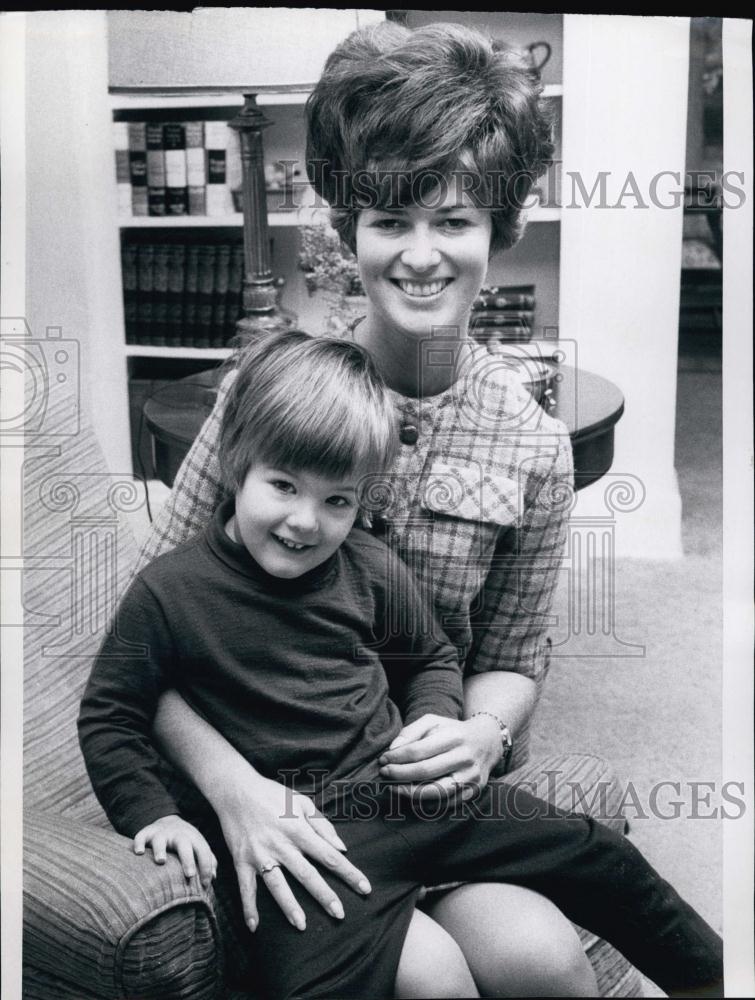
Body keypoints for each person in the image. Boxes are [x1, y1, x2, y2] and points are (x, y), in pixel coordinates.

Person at [128, 20, 677, 999]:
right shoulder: (267, 388)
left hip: (421, 796)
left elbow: (507, 659)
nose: (420, 255)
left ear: (498, 229)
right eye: (389, 220)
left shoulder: (533, 442)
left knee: (545, 958)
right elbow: (148, 634)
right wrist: (231, 789)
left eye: (452, 220)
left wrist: (479, 734)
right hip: (272, 805)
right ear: (350, 230)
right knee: (431, 979)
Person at [79, 330, 723, 1000]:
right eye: (282, 486)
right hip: (305, 838)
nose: (305, 522)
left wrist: (434, 722)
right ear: (236, 465)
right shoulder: (166, 591)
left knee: (595, 852)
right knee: (320, 981)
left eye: (337, 501)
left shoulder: (369, 567)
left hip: (407, 794)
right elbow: (111, 713)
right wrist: (153, 813)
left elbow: (432, 659)